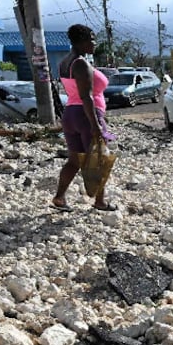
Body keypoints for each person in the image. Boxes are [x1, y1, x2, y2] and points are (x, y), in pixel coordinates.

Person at [52, 24, 117, 212]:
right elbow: (86, 96)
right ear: (81, 41)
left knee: (74, 160)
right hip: (86, 115)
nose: (94, 43)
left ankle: (60, 197)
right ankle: (100, 201)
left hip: (70, 114)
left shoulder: (65, 62)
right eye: (91, 38)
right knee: (99, 159)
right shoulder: (80, 63)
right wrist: (96, 125)